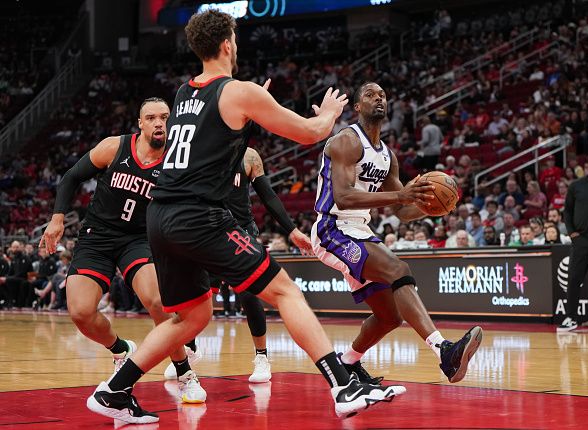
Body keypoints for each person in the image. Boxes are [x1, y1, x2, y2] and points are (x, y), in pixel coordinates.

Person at [86, 10, 402, 424]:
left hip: (160, 218)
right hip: (199, 216)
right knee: (286, 291)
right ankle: (343, 384)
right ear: (228, 45)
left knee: (193, 315)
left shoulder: (184, 92)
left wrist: (251, 113)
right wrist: (327, 112)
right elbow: (310, 132)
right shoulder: (239, 92)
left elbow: (220, 143)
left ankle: (115, 390)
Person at [311, 82, 482, 387]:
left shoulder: (387, 156)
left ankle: (347, 363)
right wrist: (403, 196)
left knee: (390, 317)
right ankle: (445, 351)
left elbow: (402, 211)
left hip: (358, 230)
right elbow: (345, 197)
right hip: (331, 228)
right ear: (358, 107)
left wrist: (431, 206)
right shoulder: (346, 141)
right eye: (370, 95)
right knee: (398, 269)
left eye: (383, 95)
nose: (378, 98)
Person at [39, 98, 205, 404]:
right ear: (140, 123)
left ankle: (184, 373)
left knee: (158, 301)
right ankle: (120, 349)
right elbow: (72, 177)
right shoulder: (115, 147)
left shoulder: (178, 161)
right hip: (97, 236)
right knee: (80, 312)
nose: (159, 123)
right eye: (152, 117)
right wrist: (57, 218)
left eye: (165, 117)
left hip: (139, 239)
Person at [162, 146, 314, 383]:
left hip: (241, 232)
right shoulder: (201, 150)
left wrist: (292, 230)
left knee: (248, 293)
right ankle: (190, 349)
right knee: (196, 297)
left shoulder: (249, 156)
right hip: (208, 231)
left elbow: (268, 196)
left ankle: (262, 357)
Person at [557, 155, 588, 332]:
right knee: (573, 279)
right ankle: (570, 317)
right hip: (582, 241)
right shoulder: (576, 186)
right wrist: (572, 234)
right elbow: (567, 212)